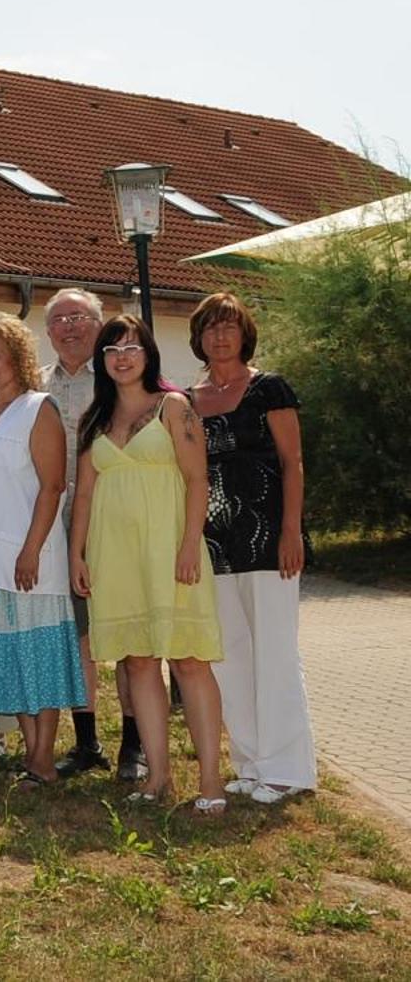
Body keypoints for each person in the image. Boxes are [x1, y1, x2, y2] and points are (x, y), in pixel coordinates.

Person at [71, 316, 228, 812]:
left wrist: (188, 545)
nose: (122, 355)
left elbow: (198, 480)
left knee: (188, 659)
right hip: (113, 555)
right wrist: (76, 553)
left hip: (170, 549)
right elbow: (85, 495)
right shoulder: (94, 419)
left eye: (132, 346)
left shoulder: (174, 406)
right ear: (101, 359)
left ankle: (210, 780)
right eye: (112, 348)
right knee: (138, 660)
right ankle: (157, 776)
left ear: (148, 353)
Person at [189, 292, 316, 804]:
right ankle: (251, 762)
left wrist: (291, 531)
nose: (220, 336)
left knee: (275, 654)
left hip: (268, 541)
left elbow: (293, 463)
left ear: (245, 334)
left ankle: (289, 769)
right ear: (198, 337)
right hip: (214, 545)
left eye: (230, 327)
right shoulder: (189, 399)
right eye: (211, 328)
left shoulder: (270, 389)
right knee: (231, 658)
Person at [0, 317, 87, 787]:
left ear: (17, 357)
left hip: (28, 557)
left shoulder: (38, 409)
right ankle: (32, 756)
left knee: (39, 658)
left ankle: (44, 759)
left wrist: (31, 550)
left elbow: (53, 487)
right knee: (12, 658)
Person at [39, 288, 130, 780]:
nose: (69, 327)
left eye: (79, 317)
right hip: (57, 530)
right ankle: (87, 741)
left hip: (116, 526)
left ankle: (134, 745)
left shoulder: (119, 378)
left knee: (129, 639)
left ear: (99, 324)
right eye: (58, 320)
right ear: (47, 332)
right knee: (77, 640)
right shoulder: (37, 387)